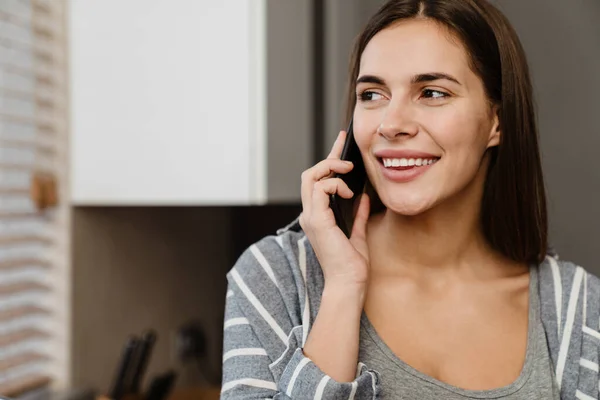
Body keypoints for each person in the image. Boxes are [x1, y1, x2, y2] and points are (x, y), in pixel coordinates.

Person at [221, 0, 600, 398]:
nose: (391, 124)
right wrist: (343, 289)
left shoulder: (579, 312)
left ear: (497, 122)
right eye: (372, 94)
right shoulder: (276, 279)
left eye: (432, 93)